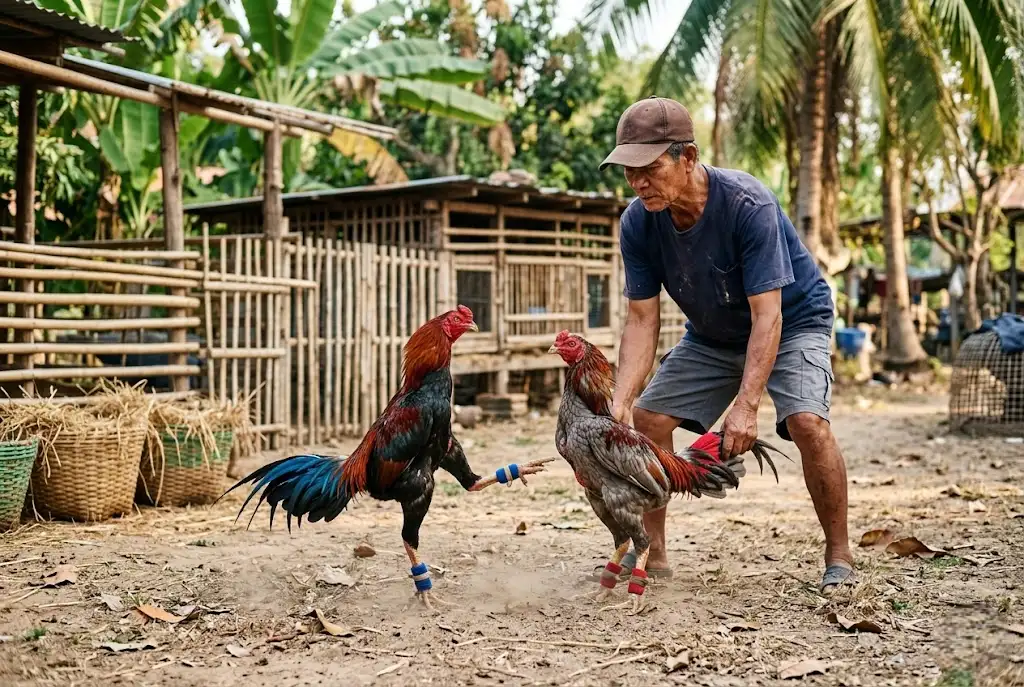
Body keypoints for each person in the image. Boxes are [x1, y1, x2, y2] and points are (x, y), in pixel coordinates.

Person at [596, 96, 855, 594]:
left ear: (687, 157)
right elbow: (641, 319)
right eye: (629, 171)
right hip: (712, 334)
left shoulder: (746, 204)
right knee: (647, 419)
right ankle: (654, 555)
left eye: (648, 168)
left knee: (806, 423)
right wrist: (621, 401)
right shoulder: (638, 221)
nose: (637, 182)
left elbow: (768, 315)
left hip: (792, 320)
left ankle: (839, 555)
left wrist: (745, 404)